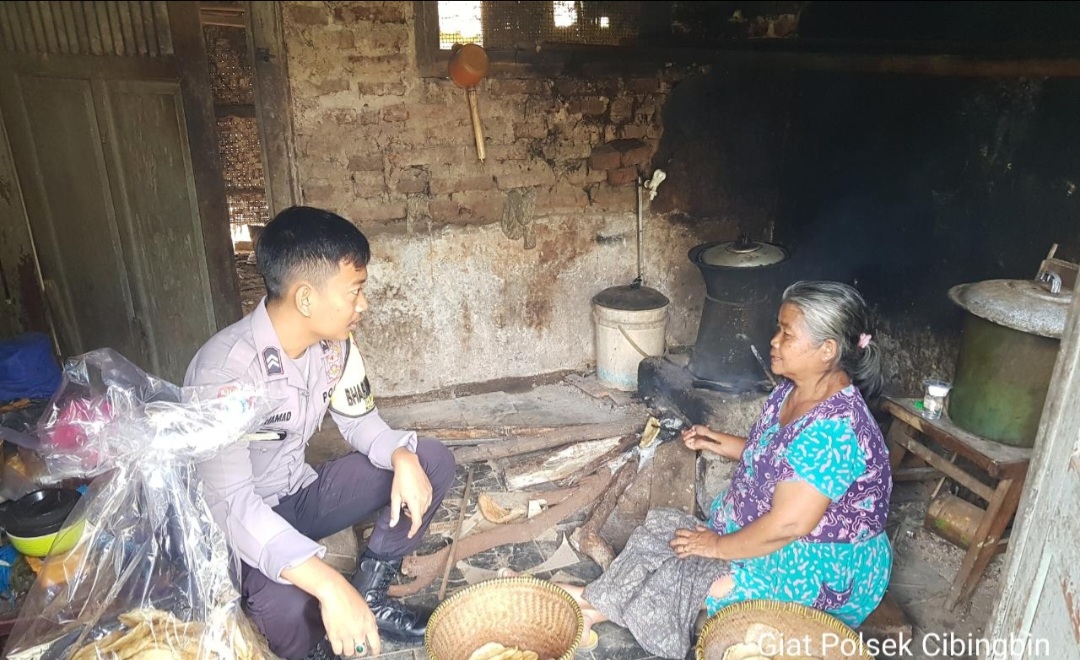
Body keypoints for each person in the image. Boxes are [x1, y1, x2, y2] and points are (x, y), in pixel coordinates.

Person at [558, 281, 893, 659]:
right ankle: (594, 605)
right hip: (766, 534)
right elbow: (777, 458)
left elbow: (788, 525)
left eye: (787, 334)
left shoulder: (836, 430)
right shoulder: (794, 390)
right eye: (778, 328)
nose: (774, 340)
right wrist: (717, 440)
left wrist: (716, 546)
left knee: (692, 573)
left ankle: (587, 604)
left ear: (827, 350)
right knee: (664, 533)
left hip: (814, 565)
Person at [185, 207, 456, 660]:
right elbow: (230, 504)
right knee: (290, 609)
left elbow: (360, 421)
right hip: (239, 527)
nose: (363, 305)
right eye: (355, 291)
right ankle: (318, 646)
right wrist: (328, 585)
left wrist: (401, 456)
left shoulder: (335, 347)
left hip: (300, 494)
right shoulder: (225, 373)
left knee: (429, 461)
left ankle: (370, 596)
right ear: (307, 299)